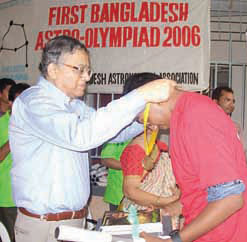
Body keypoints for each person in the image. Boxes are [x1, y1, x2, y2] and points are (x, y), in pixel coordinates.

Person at [8, 36, 176, 242]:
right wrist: (139, 95)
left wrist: (144, 119)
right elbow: (81, 136)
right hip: (43, 226)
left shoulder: (74, 106)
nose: (86, 77)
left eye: (88, 70)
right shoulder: (34, 102)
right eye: (79, 69)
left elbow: (113, 133)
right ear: (53, 70)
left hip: (75, 221)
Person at [124, 73, 247, 242]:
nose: (150, 126)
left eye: (143, 119)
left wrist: (175, 241)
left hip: (225, 235)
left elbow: (230, 199)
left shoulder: (196, 117)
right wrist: (180, 205)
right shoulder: (186, 115)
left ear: (156, 98)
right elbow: (207, 186)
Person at [120, 73, 179, 211]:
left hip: (160, 211)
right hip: (141, 215)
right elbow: (130, 191)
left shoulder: (159, 146)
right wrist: (165, 201)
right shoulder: (135, 151)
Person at [0, 81, 29, 242]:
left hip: (31, 197)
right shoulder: (1, 123)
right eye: (19, 101)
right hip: (8, 196)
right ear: (11, 103)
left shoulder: (34, 124)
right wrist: (15, 136)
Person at [100, 140, 131, 211]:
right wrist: (131, 167)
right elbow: (105, 160)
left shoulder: (144, 135)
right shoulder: (115, 136)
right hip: (118, 194)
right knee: (119, 221)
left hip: (141, 193)